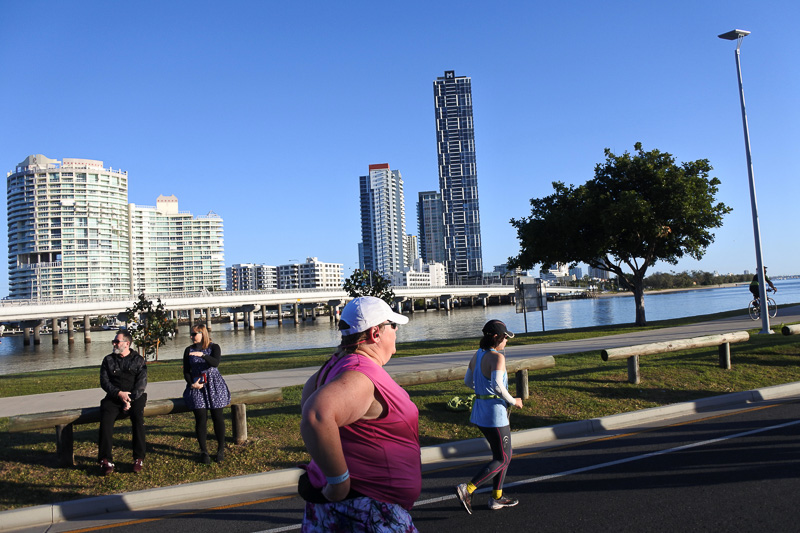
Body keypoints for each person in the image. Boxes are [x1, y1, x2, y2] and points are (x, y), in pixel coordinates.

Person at [299, 296, 420, 532]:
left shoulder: (335, 366)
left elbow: (306, 402)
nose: (396, 332)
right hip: (367, 513)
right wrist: (339, 483)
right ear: (376, 333)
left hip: (352, 510)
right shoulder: (359, 373)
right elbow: (316, 416)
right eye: (392, 326)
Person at [456, 319, 523, 514]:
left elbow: (468, 381)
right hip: (495, 413)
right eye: (505, 337)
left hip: (480, 410)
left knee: (501, 455)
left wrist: (483, 392)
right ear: (496, 337)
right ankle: (467, 489)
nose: (506, 341)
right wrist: (513, 401)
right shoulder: (497, 357)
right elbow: (497, 386)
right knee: (504, 458)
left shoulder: (478, 354)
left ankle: (497, 498)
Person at [98, 330, 147, 475]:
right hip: (114, 397)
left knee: (138, 419)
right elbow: (104, 382)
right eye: (114, 341)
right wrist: (119, 394)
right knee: (106, 420)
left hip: (135, 397)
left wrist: (129, 399)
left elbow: (141, 383)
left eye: (117, 341)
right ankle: (105, 459)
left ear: (127, 344)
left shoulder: (138, 360)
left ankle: (138, 458)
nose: (114, 344)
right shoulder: (108, 360)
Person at [183, 324, 231, 464]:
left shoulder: (214, 347)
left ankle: (220, 449)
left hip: (214, 384)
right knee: (200, 418)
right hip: (197, 385)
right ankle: (204, 452)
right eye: (191, 334)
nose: (191, 337)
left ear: (202, 334)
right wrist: (192, 383)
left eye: (194, 334)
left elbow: (215, 363)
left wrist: (203, 355)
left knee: (217, 417)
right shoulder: (188, 350)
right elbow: (186, 371)